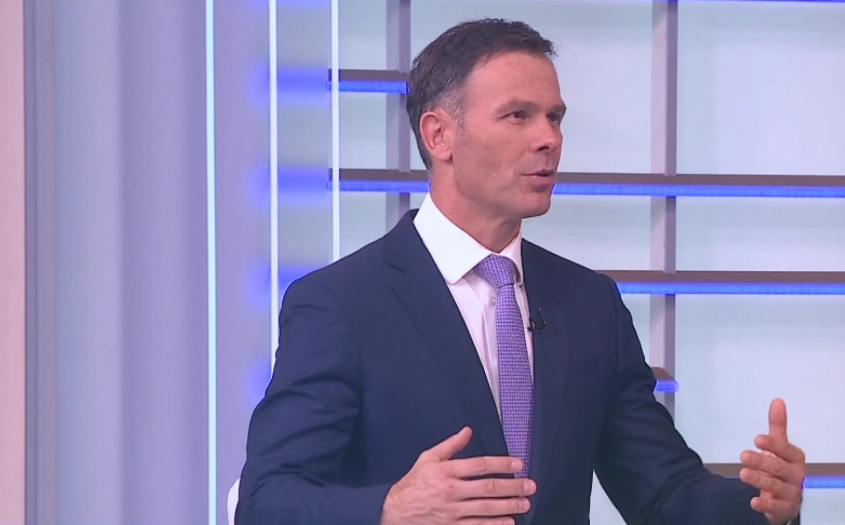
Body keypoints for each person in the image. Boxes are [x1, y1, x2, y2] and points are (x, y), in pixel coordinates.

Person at [235, 18, 806, 525]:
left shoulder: (591, 304)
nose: (548, 139)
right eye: (518, 116)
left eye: (554, 117)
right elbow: (265, 501)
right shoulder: (342, 303)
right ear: (439, 135)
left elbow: (664, 494)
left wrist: (762, 506)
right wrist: (390, 510)